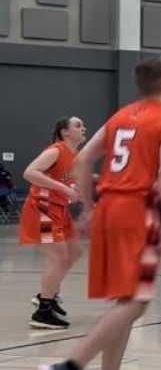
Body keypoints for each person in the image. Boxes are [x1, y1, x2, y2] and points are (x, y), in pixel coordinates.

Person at [37, 56, 161, 370]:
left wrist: (89, 207)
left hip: (109, 210)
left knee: (125, 299)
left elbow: (83, 159)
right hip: (137, 211)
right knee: (136, 302)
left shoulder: (123, 115)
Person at [20, 116, 88, 331]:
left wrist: (76, 192)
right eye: (78, 125)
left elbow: (65, 182)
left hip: (58, 210)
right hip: (42, 208)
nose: (83, 128)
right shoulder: (56, 150)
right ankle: (43, 312)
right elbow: (30, 172)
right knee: (59, 257)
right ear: (64, 132)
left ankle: (46, 294)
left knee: (75, 252)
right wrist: (62, 188)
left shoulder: (74, 155)